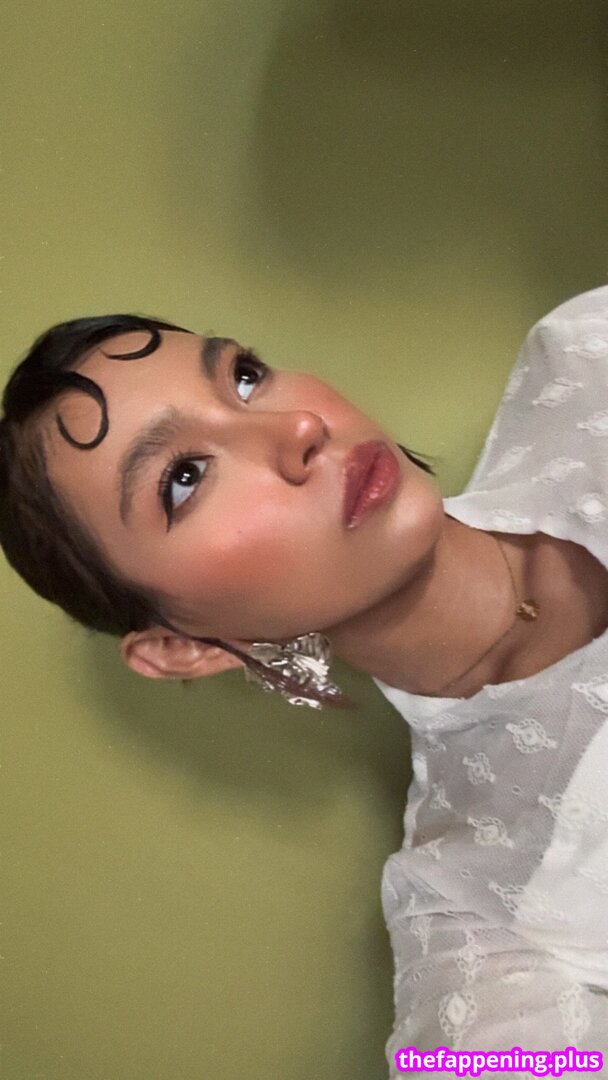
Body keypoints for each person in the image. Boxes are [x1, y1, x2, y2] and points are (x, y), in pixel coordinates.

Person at [1, 284, 607, 1074]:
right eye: (184, 476)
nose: (298, 428)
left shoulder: (586, 355)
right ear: (182, 648)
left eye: (244, 377)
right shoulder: (483, 932)